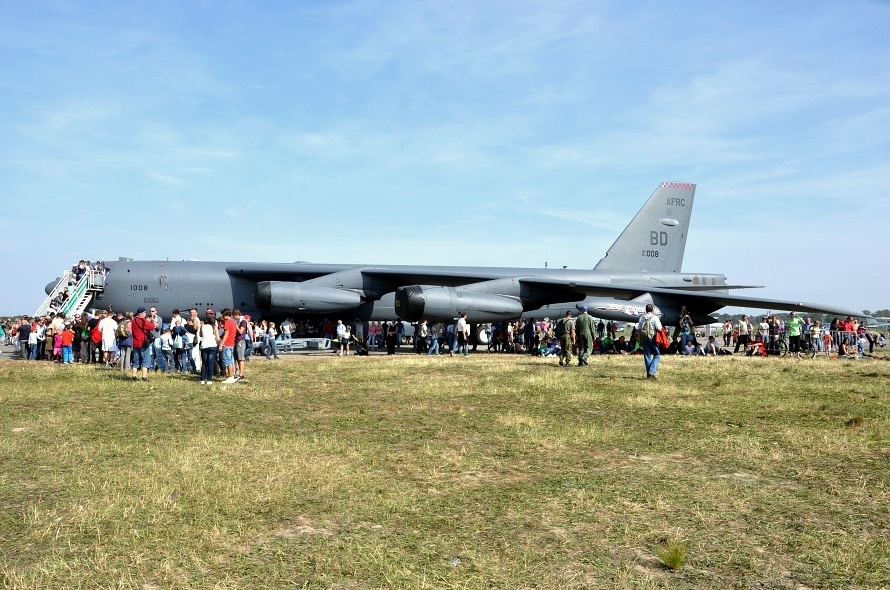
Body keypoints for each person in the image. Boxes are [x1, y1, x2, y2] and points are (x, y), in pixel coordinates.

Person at [636, 303, 663, 379]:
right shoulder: (655, 317)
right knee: (657, 354)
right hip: (652, 337)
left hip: (644, 338)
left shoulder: (642, 317)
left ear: (646, 310)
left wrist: (639, 338)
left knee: (647, 355)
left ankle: (649, 374)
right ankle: (652, 371)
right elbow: (659, 328)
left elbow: (639, 328)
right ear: (653, 310)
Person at [130, 307, 156, 381]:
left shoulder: (134, 320)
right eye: (145, 313)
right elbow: (152, 327)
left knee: (136, 360)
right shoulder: (141, 320)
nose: (145, 314)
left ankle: (134, 376)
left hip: (135, 343)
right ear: (142, 314)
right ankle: (144, 377)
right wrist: (153, 322)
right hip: (143, 342)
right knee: (145, 360)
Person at [199, 310, 219, 384]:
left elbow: (200, 335)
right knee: (210, 363)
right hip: (212, 345)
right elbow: (218, 338)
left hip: (204, 345)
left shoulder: (202, 326)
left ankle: (202, 379)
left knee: (204, 363)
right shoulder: (214, 327)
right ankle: (209, 379)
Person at [219, 309, 238, 383]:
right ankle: (232, 375)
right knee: (230, 360)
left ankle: (230, 376)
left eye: (223, 315)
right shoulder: (233, 322)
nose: (222, 317)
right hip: (231, 344)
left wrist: (221, 344)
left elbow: (226, 334)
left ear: (225, 315)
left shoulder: (227, 322)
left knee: (227, 360)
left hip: (227, 343)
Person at [232, 309, 249, 381]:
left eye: (234, 316)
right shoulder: (239, 321)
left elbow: (241, 331)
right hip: (237, 341)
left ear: (237, 315)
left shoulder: (243, 321)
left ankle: (241, 374)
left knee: (241, 358)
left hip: (240, 341)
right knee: (237, 358)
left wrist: (236, 326)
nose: (233, 318)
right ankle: (239, 373)